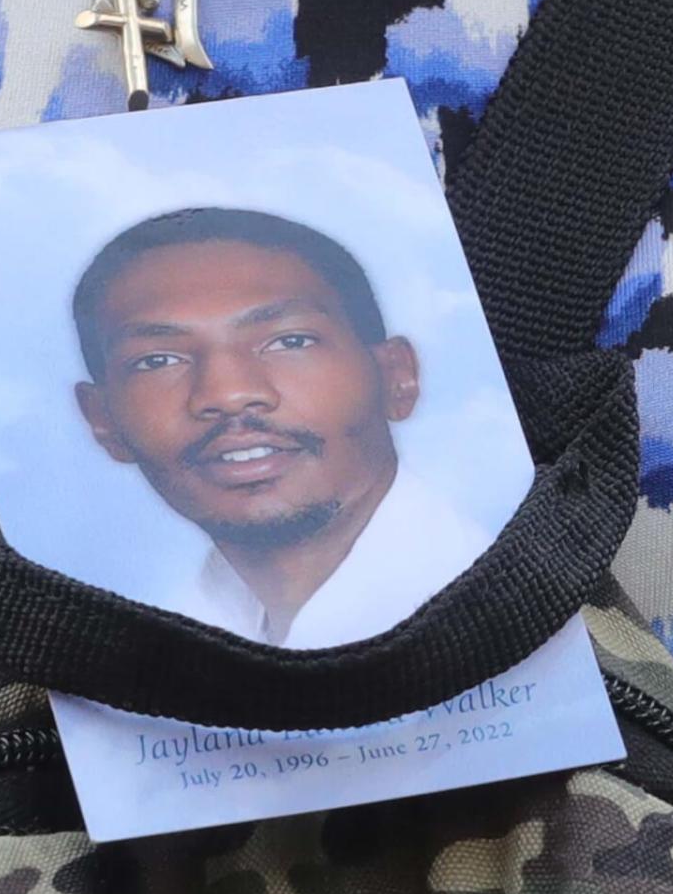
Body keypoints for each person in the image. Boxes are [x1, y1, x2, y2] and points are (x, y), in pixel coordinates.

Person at [73, 207, 489, 647]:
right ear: (103, 421)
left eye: (290, 341)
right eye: (157, 360)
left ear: (396, 378)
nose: (226, 394)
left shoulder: (497, 595)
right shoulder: (150, 642)